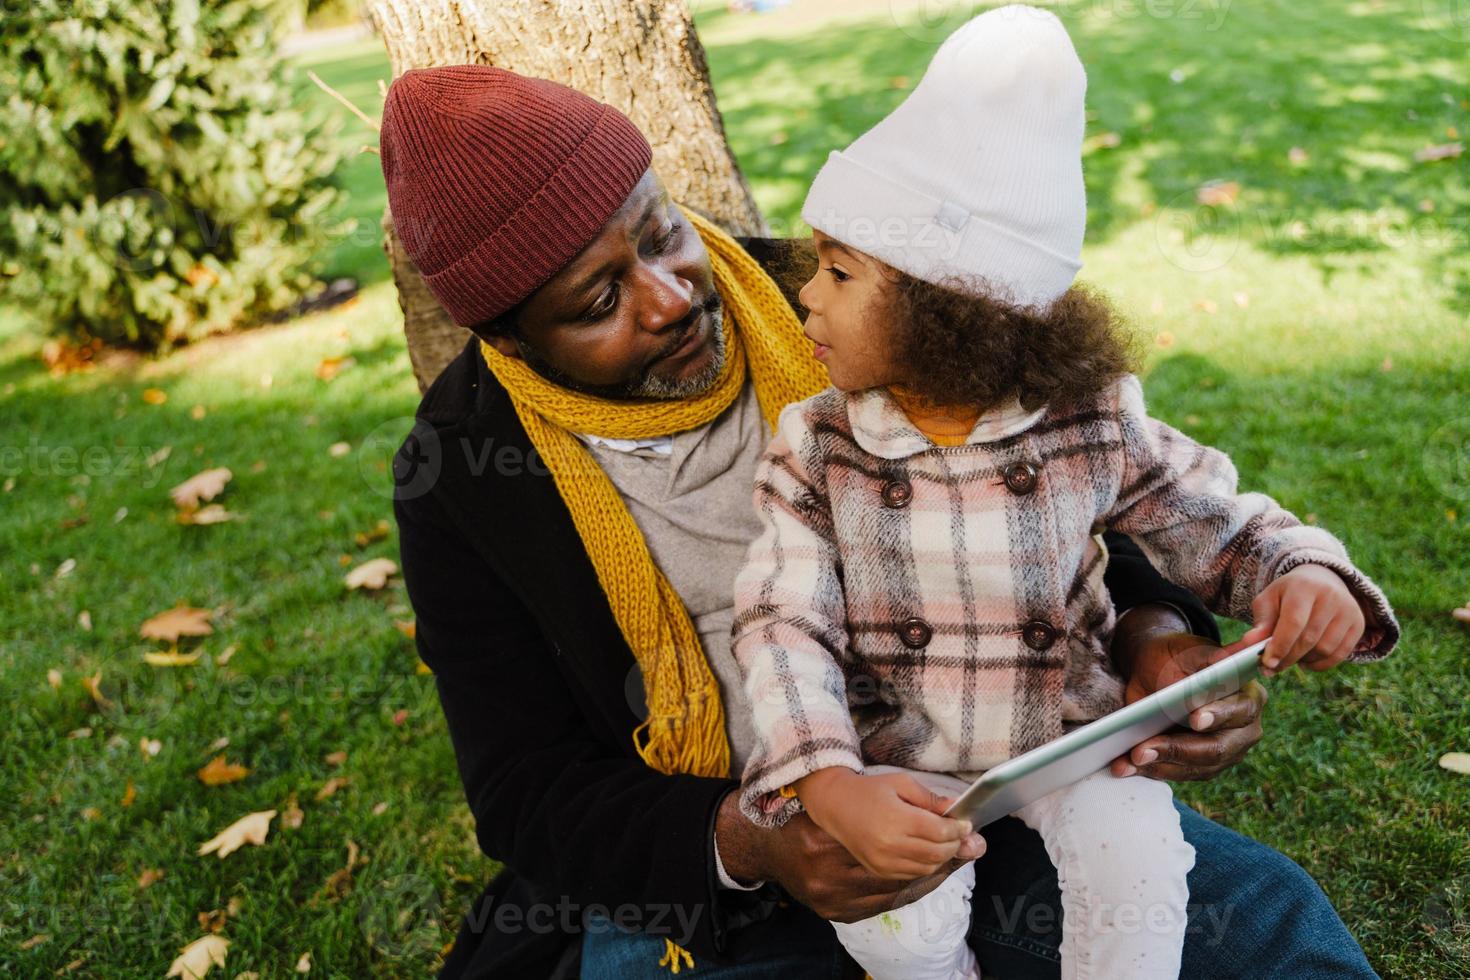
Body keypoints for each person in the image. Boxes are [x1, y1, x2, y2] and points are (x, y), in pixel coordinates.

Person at [377, 62, 1389, 979]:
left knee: (1265, 931)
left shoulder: (859, 291)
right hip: (715, 881)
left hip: (982, 789)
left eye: (660, 231)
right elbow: (524, 784)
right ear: (509, 338)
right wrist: (753, 837)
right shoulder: (464, 471)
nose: (671, 295)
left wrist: (1157, 641)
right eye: (600, 298)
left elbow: (1067, 480)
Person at [726, 8, 1399, 980]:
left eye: (839, 270)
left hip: (1071, 735)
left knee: (1140, 875)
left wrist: (1302, 570)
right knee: (897, 930)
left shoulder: (1088, 419)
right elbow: (781, 619)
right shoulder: (820, 443)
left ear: (941, 304)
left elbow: (1208, 510)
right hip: (898, 753)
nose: (806, 296)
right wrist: (827, 779)